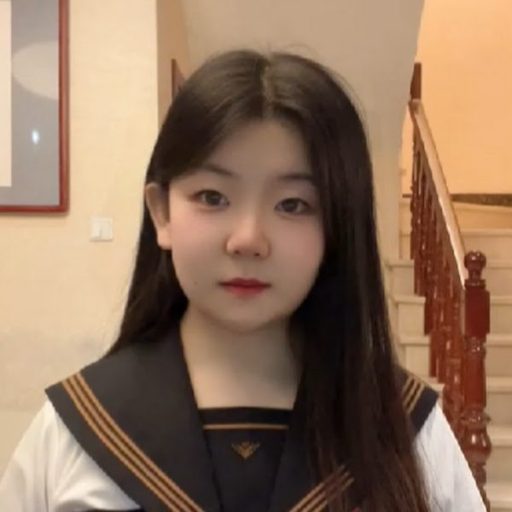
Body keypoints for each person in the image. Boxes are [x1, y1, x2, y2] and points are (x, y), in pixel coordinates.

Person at [0, 49, 485, 512]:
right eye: (212, 197)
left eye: (293, 204)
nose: (248, 239)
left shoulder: (404, 432)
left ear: (337, 228)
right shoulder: (79, 430)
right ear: (162, 213)